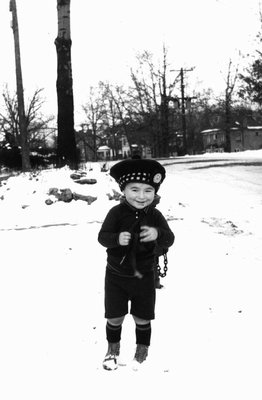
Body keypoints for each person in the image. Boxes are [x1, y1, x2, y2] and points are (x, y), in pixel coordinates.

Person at [98, 158, 175, 371]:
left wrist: (157, 233)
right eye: (135, 190)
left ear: (154, 192)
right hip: (116, 276)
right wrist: (115, 239)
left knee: (142, 317)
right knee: (115, 316)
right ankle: (112, 349)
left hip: (144, 276)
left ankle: (142, 351)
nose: (141, 196)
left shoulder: (156, 215)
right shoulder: (116, 213)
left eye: (148, 190)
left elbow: (170, 239)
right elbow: (102, 237)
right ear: (123, 190)